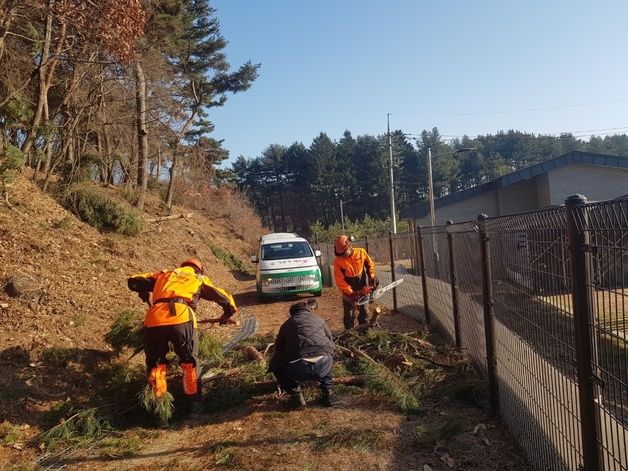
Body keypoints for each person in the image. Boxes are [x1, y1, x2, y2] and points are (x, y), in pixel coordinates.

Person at [127, 258, 237, 424]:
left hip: (154, 319)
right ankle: (193, 408)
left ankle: (161, 412)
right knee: (189, 363)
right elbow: (224, 297)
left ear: (182, 266)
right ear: (199, 270)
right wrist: (228, 313)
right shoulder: (198, 278)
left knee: (156, 365)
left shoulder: (164, 275)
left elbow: (134, 281)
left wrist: (142, 290)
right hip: (181, 317)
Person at [268, 299, 335, 408]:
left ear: (292, 313)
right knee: (326, 353)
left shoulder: (287, 324)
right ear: (309, 311)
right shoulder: (319, 320)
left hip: (299, 368)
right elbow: (330, 342)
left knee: (276, 367)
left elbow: (279, 350)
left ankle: (296, 395)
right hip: (323, 366)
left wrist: (275, 364)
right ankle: (328, 392)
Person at [333, 235, 379, 330]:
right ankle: (349, 333)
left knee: (364, 313)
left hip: (362, 287)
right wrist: (351, 293)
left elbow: (370, 265)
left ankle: (365, 333)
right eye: (341, 254)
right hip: (348, 291)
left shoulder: (361, 252)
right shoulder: (338, 261)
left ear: (349, 246)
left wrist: (372, 277)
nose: (343, 255)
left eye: (344, 253)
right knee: (349, 315)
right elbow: (339, 280)